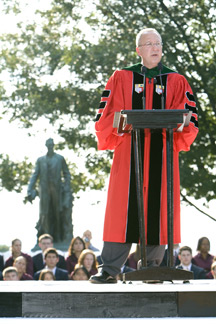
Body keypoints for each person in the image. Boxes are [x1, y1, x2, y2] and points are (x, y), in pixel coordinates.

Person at [90, 27, 198, 283]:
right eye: (149, 44)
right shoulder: (121, 78)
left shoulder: (176, 80)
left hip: (162, 153)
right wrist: (117, 128)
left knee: (158, 209)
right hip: (129, 153)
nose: (155, 47)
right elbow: (105, 116)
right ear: (138, 50)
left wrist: (183, 125)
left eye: (158, 43)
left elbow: (189, 118)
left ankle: (153, 268)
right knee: (122, 209)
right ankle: (110, 270)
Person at [27, 138, 73, 242]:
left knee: (58, 213)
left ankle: (58, 236)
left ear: (54, 145)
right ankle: (46, 237)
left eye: (52, 144)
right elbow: (35, 175)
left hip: (57, 189)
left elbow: (66, 173)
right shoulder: (40, 160)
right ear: (46, 145)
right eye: (48, 145)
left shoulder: (60, 159)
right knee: (45, 213)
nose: (50, 146)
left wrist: (66, 186)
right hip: (44, 190)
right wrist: (29, 189)